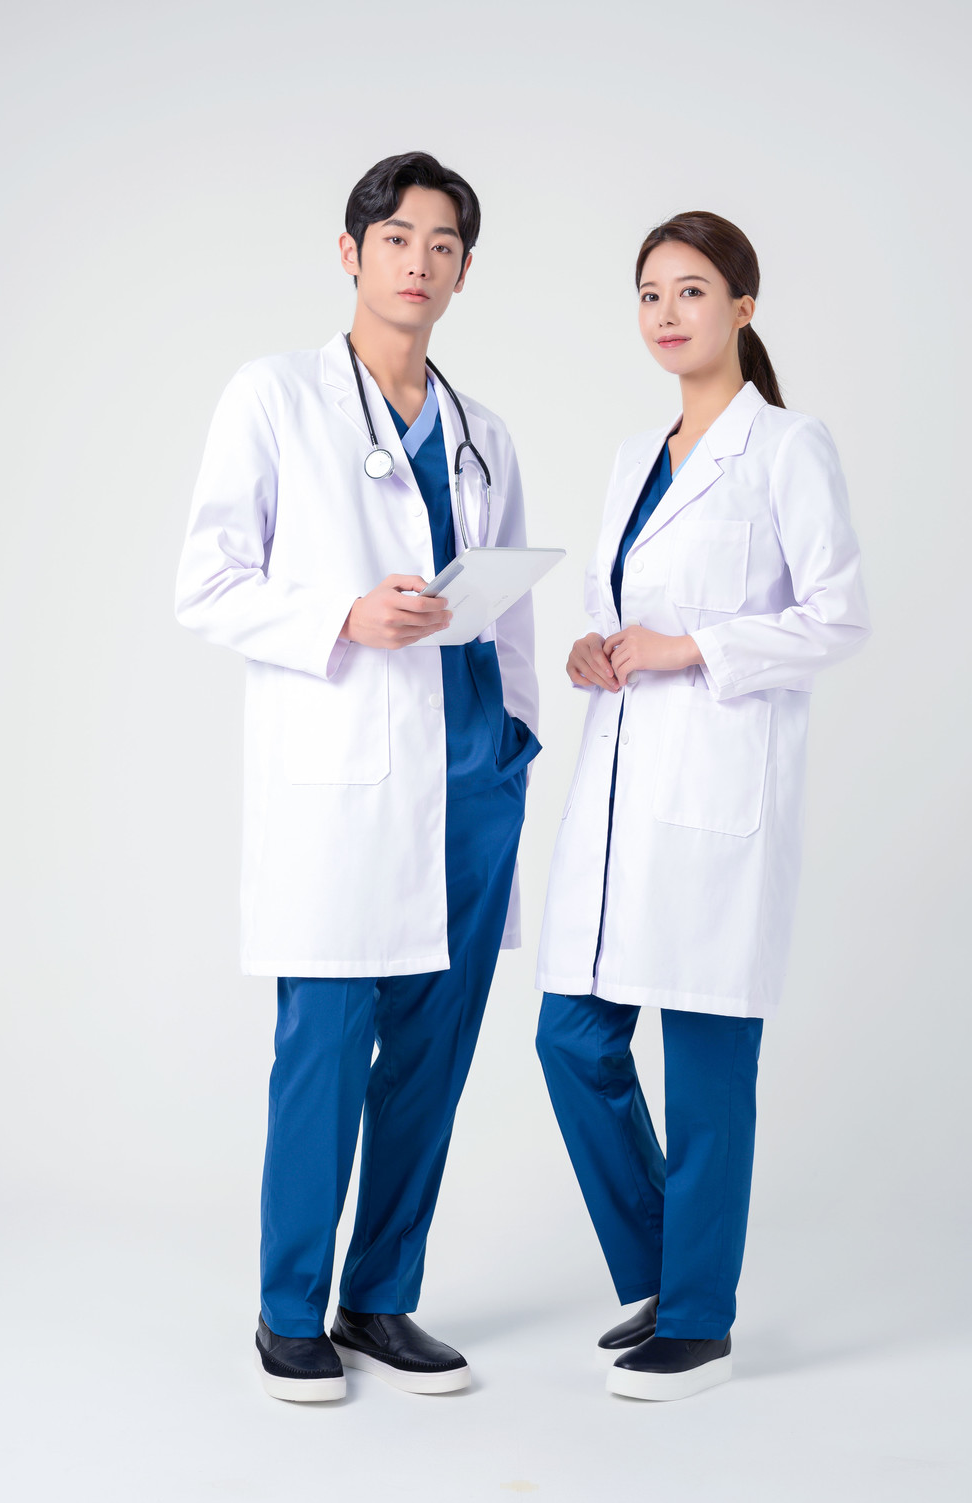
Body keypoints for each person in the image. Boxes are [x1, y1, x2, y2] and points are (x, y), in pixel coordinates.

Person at [176, 151, 540, 1401]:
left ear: (464, 270)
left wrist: (517, 736)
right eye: (396, 239)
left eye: (442, 245)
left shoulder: (483, 432)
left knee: (432, 1056)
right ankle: (290, 1312)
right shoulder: (274, 396)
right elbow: (206, 582)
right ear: (351, 252)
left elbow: (510, 607)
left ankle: (380, 1298)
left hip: (472, 775)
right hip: (344, 779)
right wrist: (341, 614)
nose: (418, 263)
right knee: (325, 1050)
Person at [535, 210, 870, 1402]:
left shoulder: (787, 447)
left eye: (690, 290)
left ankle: (697, 1323)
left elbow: (836, 617)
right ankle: (661, 1272)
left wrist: (692, 649)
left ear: (741, 307)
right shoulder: (636, 456)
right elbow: (621, 607)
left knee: (707, 1063)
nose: (666, 313)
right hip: (621, 792)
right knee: (569, 1037)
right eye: (649, 294)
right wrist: (596, 648)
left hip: (720, 795)